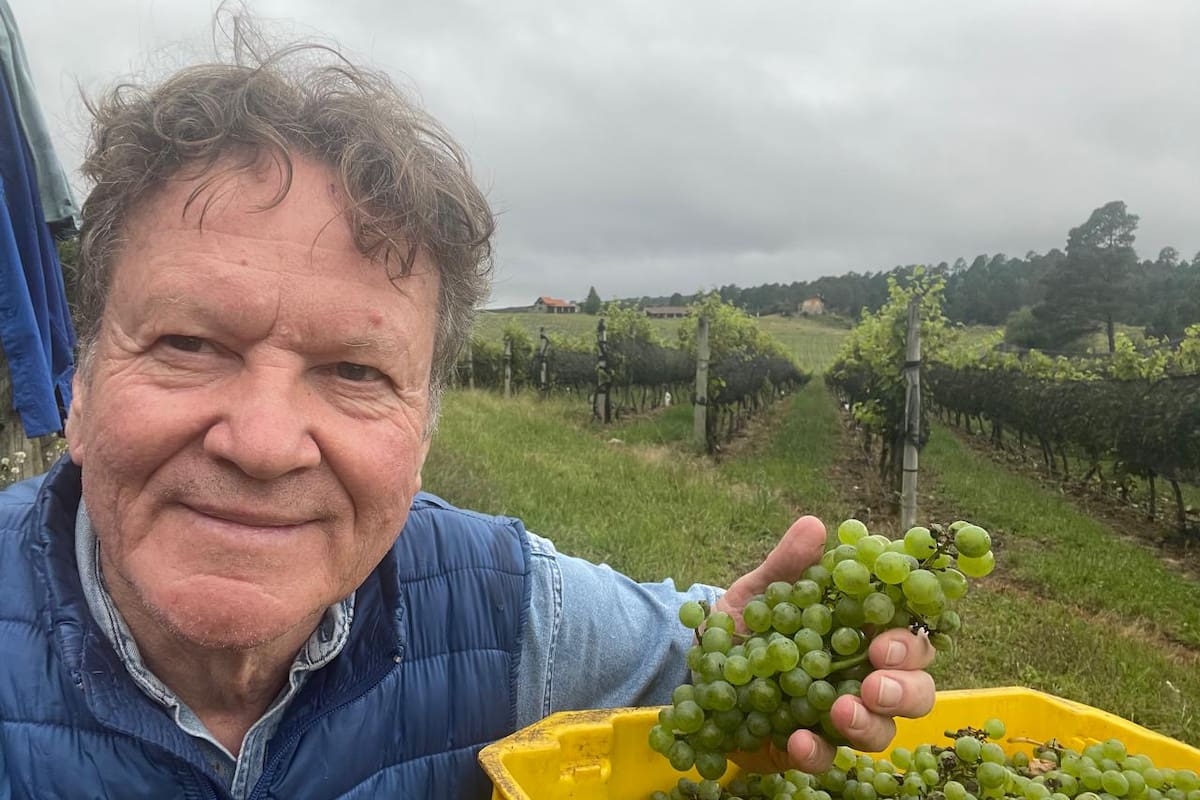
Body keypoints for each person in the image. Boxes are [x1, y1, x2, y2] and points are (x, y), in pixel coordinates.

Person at [0, 31, 935, 800]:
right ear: (79, 386)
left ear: (423, 433)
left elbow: (692, 644)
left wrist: (769, 661)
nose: (263, 442)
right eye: (190, 346)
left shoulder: (511, 608)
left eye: (356, 371)